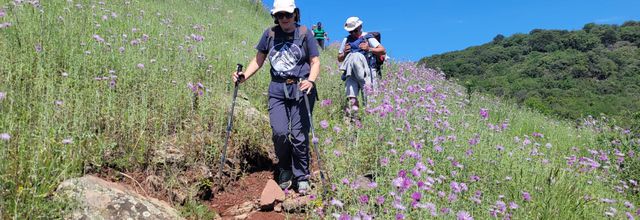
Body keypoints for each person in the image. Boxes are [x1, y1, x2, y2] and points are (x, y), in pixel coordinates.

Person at [232, 0, 320, 195]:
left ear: (295, 14)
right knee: (279, 132)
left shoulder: (305, 33)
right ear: (275, 16)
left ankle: (302, 175)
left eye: (287, 15)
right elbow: (258, 59)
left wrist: (311, 81)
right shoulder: (270, 33)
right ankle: (285, 169)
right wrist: (244, 76)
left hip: (301, 88)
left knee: (298, 135)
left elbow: (315, 61)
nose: (284, 19)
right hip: (277, 89)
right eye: (279, 15)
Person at [337, 16, 386, 110]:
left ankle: (368, 118)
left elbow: (383, 51)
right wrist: (345, 53)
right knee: (351, 97)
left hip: (367, 71)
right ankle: (353, 118)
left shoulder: (368, 37)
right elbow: (339, 58)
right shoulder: (346, 40)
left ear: (360, 27)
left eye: (355, 30)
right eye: (350, 32)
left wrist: (369, 49)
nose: (353, 33)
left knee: (369, 99)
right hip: (351, 73)